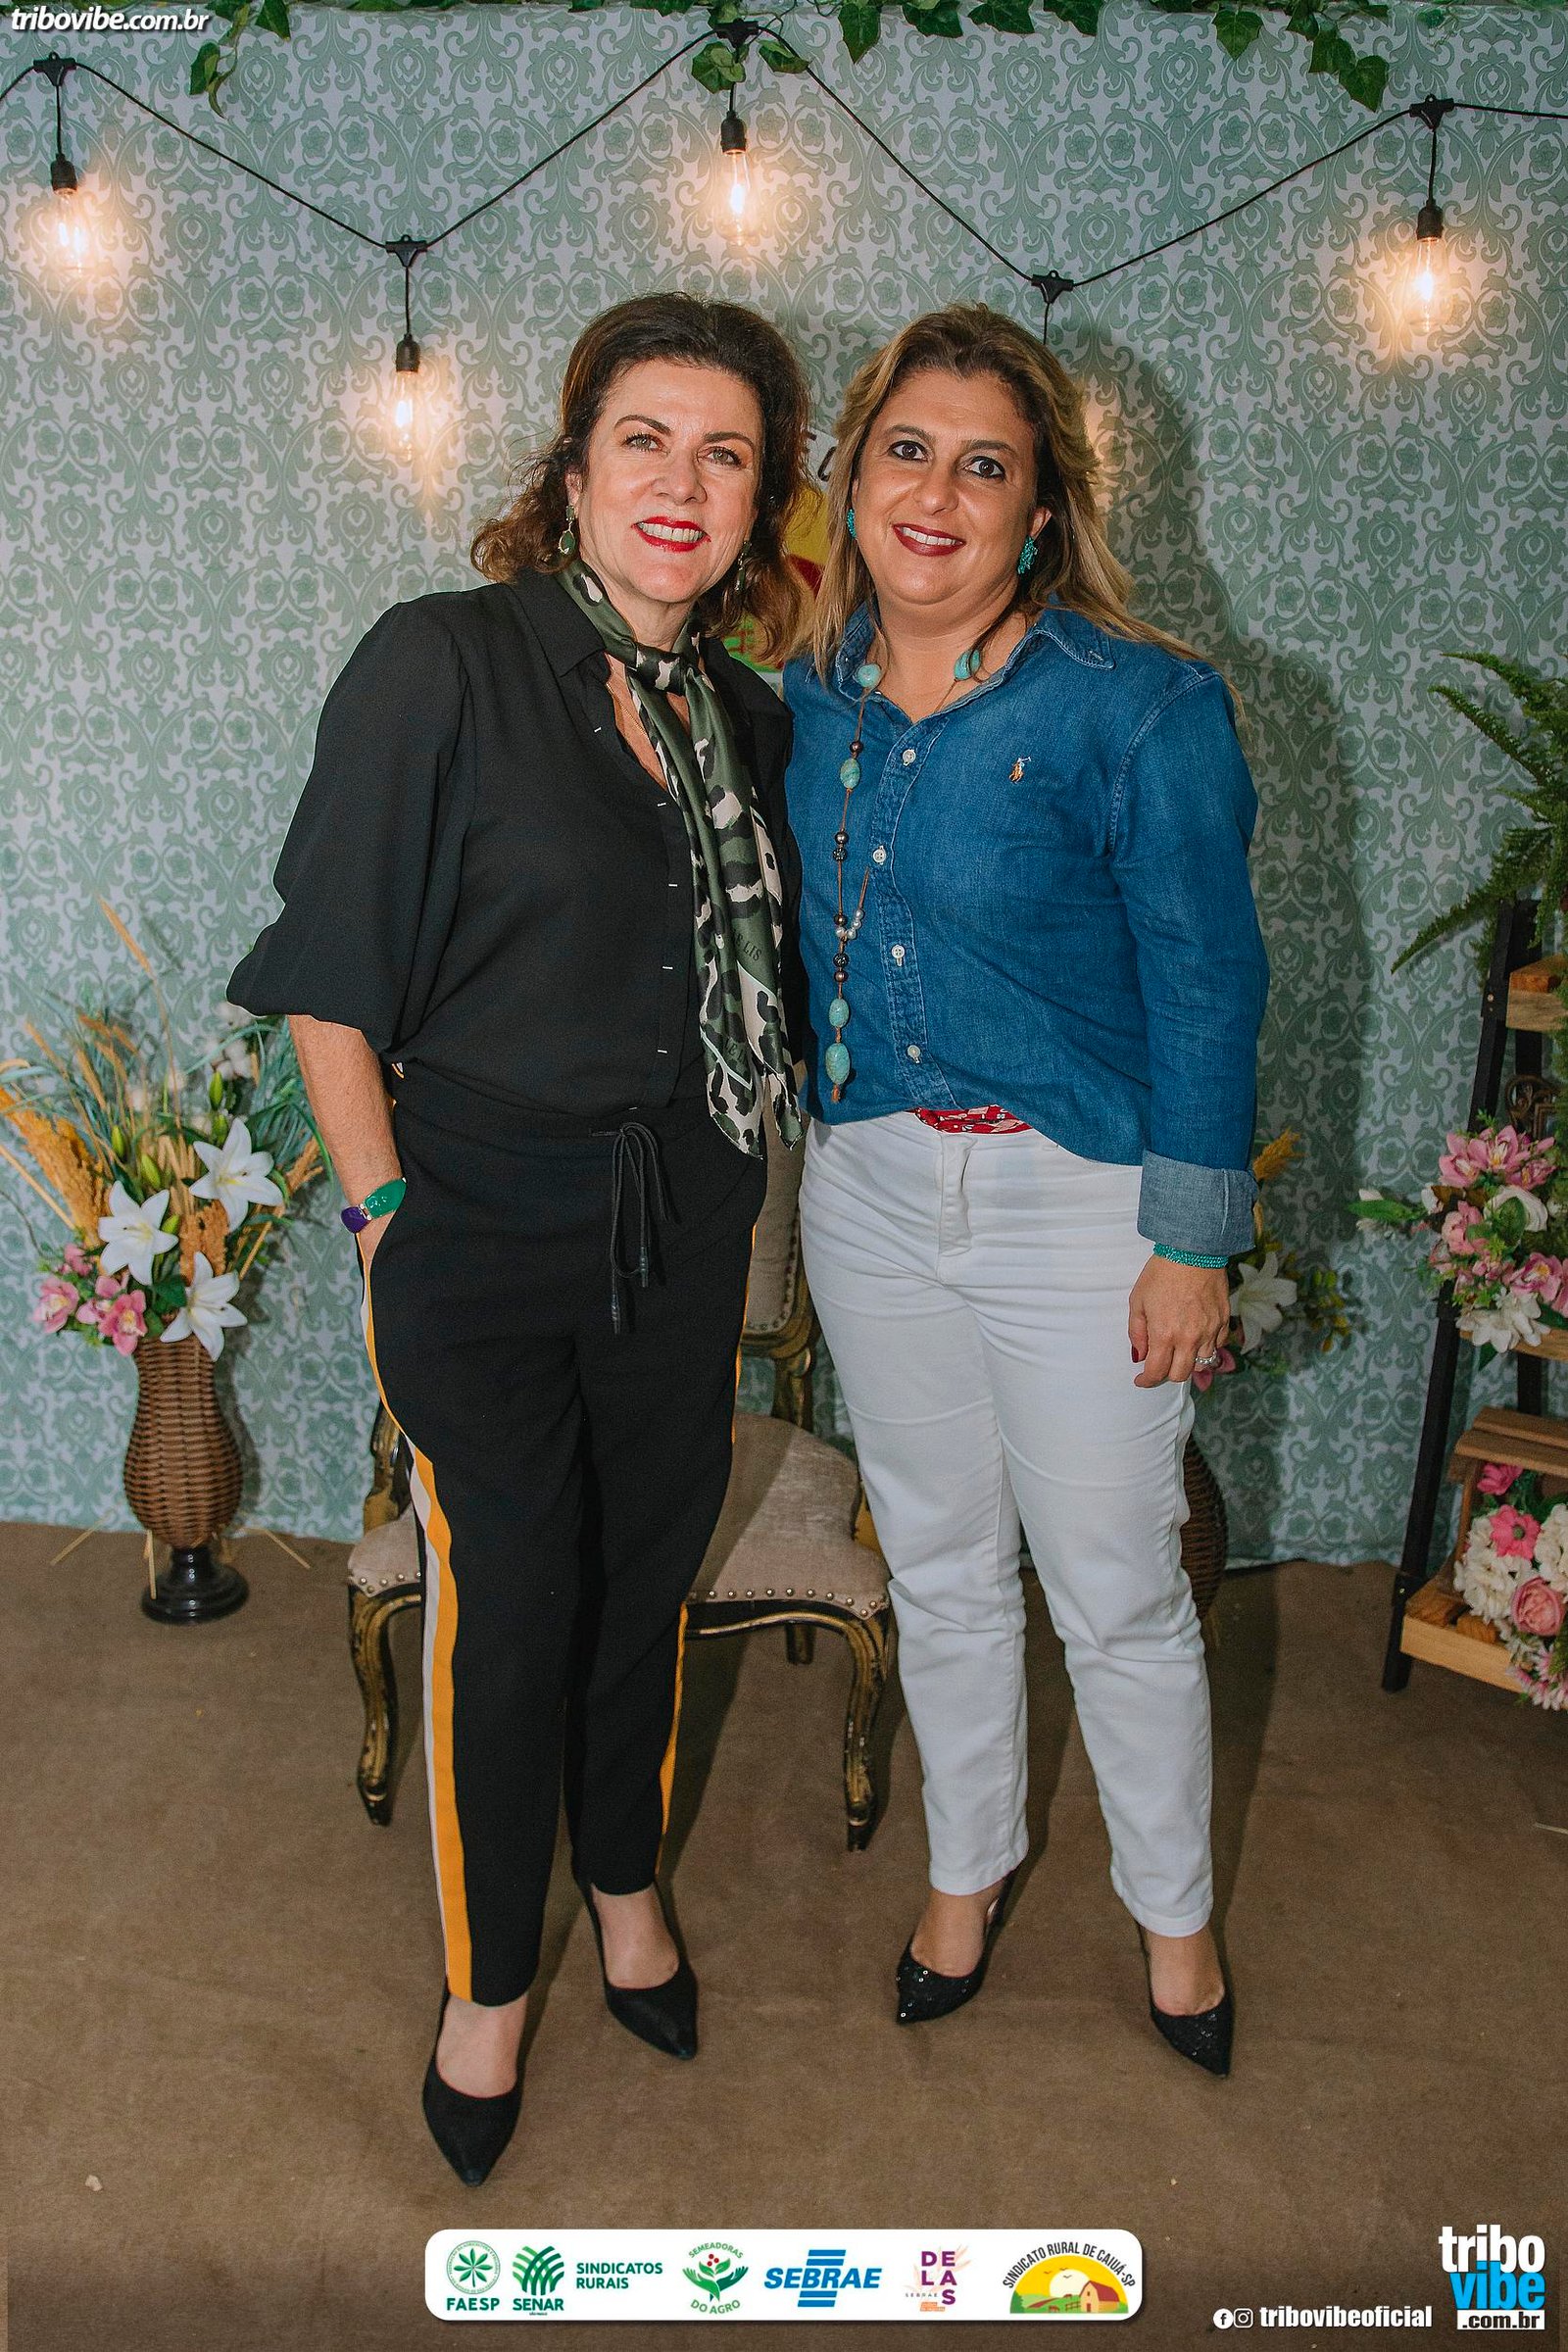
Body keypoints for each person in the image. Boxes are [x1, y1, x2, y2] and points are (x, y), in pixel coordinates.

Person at [229, 294, 811, 2180]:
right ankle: (489, 1988)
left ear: (760, 505)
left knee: (646, 1576)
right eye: (645, 439)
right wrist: (383, 1216)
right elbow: (331, 974)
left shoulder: (746, 719)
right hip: (472, 1220)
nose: (681, 482)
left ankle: (625, 1887)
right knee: (514, 1602)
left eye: (726, 455)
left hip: (685, 1220)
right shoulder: (447, 664)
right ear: (572, 470)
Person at [782, 304, 1268, 2077]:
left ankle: (1176, 1922)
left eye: (983, 466)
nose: (936, 495)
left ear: (1040, 511)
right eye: (906, 452)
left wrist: (1190, 1243)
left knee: (1116, 1586)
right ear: (851, 480)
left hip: (1079, 1205)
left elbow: (1210, 982)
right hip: (870, 1191)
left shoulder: (1141, 707)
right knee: (938, 1564)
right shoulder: (804, 697)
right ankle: (965, 1874)